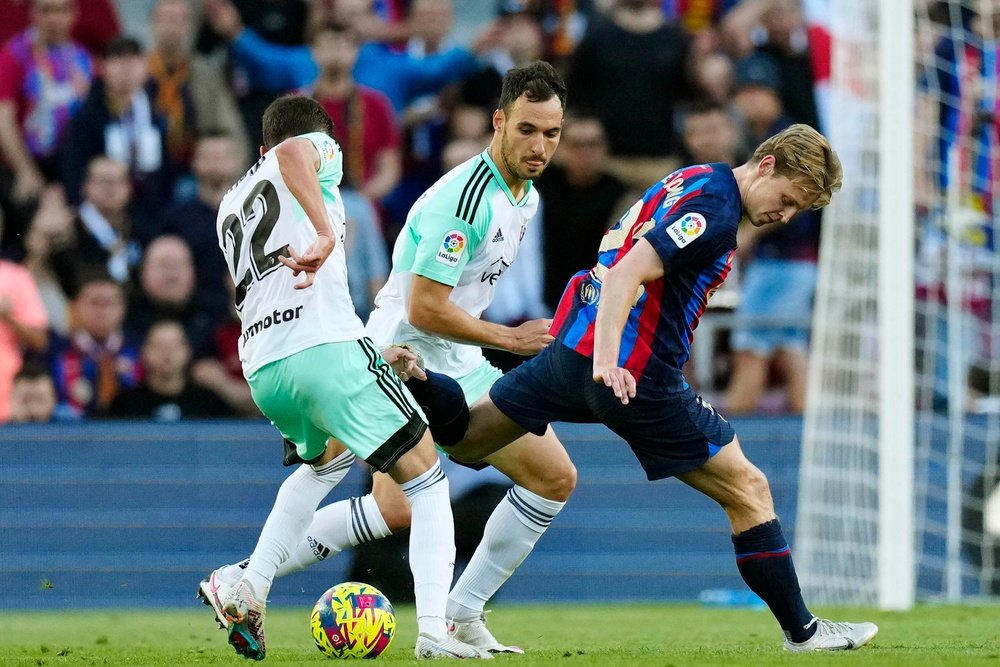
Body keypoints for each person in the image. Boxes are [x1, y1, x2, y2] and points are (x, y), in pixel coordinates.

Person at [442, 124, 879, 652]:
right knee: (750, 491)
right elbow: (628, 273)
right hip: (634, 377)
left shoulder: (693, 177)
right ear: (766, 165)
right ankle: (804, 633)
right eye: (786, 200)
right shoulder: (716, 214)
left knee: (463, 438)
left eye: (797, 212)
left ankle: (457, 608)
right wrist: (610, 360)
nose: (783, 216)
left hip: (569, 354)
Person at [202, 61, 573, 655]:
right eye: (528, 129)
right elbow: (425, 308)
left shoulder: (523, 198)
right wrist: (513, 340)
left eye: (551, 133)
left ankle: (255, 579)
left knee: (546, 477)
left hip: (287, 356)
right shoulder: (465, 196)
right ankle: (433, 627)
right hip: (402, 349)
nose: (540, 145)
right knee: (415, 489)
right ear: (498, 121)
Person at [107, 319, 236, 420]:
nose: (167, 354)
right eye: (159, 346)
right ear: (144, 352)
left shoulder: (209, 403)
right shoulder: (125, 404)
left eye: (175, 346)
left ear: (188, 351)